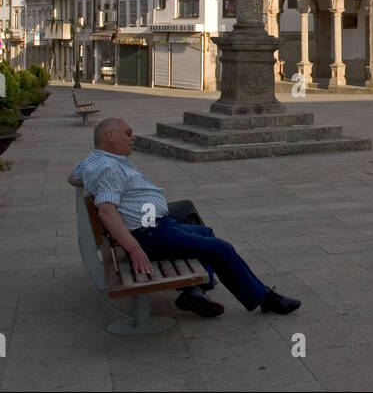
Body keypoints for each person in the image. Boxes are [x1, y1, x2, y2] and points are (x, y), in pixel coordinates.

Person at [68, 117, 300, 318]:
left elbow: (73, 177)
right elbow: (106, 212)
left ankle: (194, 290)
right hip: (150, 233)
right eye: (128, 133)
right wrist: (135, 249)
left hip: (154, 226)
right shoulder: (109, 168)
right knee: (221, 249)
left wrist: (93, 181)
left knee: (206, 234)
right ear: (110, 136)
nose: (133, 137)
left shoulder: (95, 161)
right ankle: (265, 299)